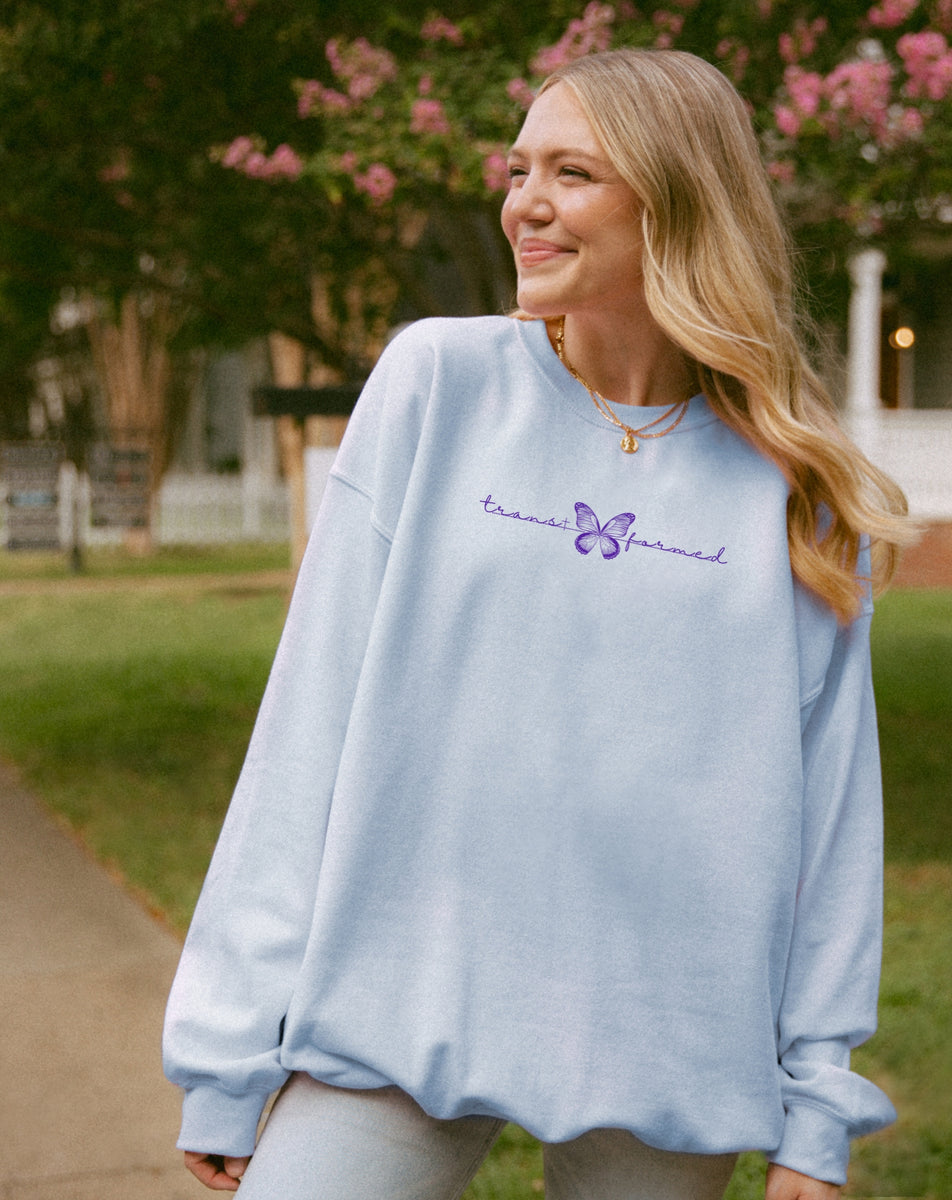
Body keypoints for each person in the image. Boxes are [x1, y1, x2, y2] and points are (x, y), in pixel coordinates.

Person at [163, 47, 911, 1200]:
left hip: (670, 1025)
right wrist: (227, 1048)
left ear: (674, 203)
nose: (526, 205)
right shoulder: (436, 384)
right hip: (408, 992)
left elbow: (830, 808)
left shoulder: (794, 486)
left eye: (572, 173)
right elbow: (305, 727)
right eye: (519, 170)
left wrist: (816, 1101)